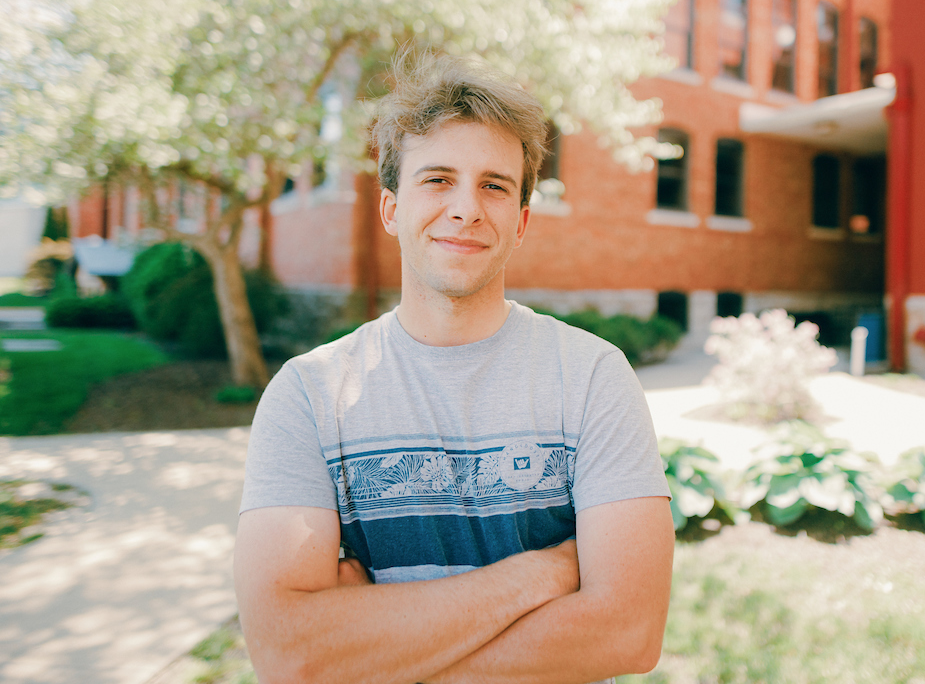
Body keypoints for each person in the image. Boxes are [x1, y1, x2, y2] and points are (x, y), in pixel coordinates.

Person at [233, 51, 675, 684]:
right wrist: (543, 572)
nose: (466, 208)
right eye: (437, 179)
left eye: (493, 185)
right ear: (391, 209)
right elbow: (290, 654)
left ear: (521, 221)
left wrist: (377, 651)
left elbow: (629, 633)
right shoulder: (308, 396)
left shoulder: (593, 377)